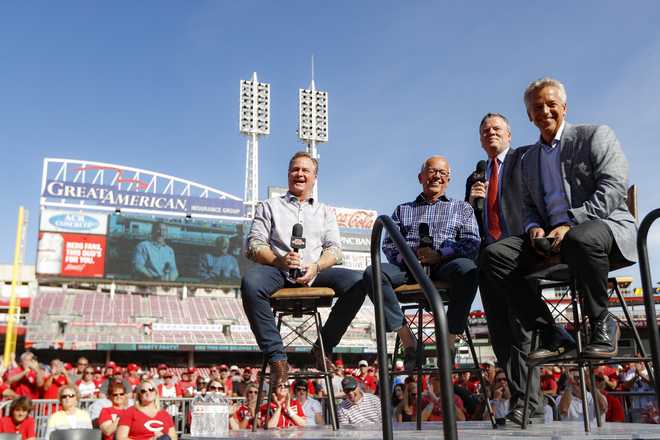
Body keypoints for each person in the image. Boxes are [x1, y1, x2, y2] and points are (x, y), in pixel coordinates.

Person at [481, 77, 636, 417]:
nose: (545, 110)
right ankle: (551, 332)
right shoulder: (529, 159)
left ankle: (602, 321)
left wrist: (571, 221)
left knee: (581, 237)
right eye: (537, 107)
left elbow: (613, 188)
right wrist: (535, 228)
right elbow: (528, 206)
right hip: (550, 238)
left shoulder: (595, 135)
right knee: (494, 256)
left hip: (599, 228)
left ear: (564, 107)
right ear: (530, 116)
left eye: (551, 104)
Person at [241, 151, 367, 387]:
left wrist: (316, 266)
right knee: (250, 283)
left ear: (314, 178)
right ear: (288, 174)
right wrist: (280, 260)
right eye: (295, 169)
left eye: (305, 170)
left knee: (360, 281)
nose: (299, 174)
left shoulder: (325, 211)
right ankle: (277, 359)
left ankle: (322, 348)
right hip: (278, 271)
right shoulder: (268, 206)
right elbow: (253, 245)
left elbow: (335, 250)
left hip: (314, 271)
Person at [363, 155, 480, 367]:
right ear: (421, 177)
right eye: (432, 171)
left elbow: (471, 244)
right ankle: (408, 342)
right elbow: (389, 244)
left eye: (442, 173)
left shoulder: (462, 208)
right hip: (409, 267)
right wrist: (408, 258)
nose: (436, 176)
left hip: (446, 265)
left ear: (449, 179)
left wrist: (441, 254)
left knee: (469, 270)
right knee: (373, 273)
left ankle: (449, 341)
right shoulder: (402, 209)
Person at [467, 113, 541, 424]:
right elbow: (470, 224)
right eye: (485, 131)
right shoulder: (477, 177)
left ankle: (530, 404)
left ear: (509, 135)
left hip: (519, 254)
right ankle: (518, 400)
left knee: (522, 331)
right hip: (488, 261)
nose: (490, 133)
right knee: (500, 335)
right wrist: (472, 202)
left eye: (496, 128)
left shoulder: (524, 159)